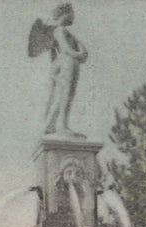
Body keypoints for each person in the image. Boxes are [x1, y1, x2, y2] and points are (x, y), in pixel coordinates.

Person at [29, 4, 88, 137]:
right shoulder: (59, 31)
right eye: (71, 12)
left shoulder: (69, 34)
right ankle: (62, 125)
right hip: (65, 62)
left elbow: (84, 52)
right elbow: (66, 49)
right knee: (66, 93)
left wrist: (81, 52)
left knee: (65, 94)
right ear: (65, 13)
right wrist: (79, 54)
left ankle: (50, 124)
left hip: (69, 62)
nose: (73, 16)